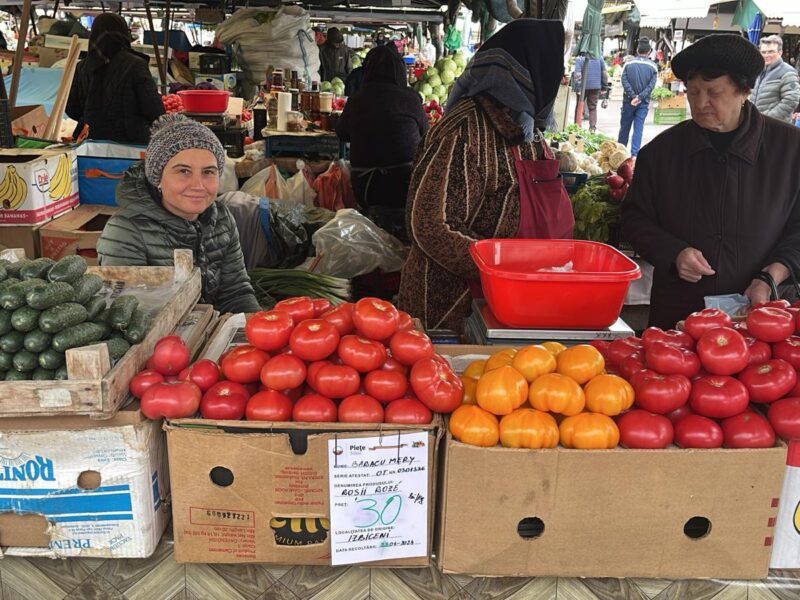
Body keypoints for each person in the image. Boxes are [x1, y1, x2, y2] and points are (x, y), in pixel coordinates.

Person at [399, 19, 572, 332]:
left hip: (512, 302)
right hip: (453, 309)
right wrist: (502, 266)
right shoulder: (465, 131)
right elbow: (428, 224)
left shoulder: (527, 127)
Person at [621, 34, 800, 329]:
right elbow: (634, 218)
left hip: (763, 314)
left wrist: (771, 276)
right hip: (678, 316)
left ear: (744, 91)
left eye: (713, 92)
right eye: (693, 92)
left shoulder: (790, 149)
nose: (700, 103)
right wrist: (673, 253)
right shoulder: (661, 153)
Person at [97, 114, 261, 314]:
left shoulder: (222, 219)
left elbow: (236, 292)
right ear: (157, 178)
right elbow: (124, 316)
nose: (198, 185)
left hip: (207, 331)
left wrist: (255, 330)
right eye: (183, 171)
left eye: (208, 172)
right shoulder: (124, 232)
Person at [336, 46, 428, 241]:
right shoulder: (411, 98)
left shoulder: (356, 100)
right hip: (404, 186)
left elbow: (342, 134)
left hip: (366, 188)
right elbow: (425, 135)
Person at [66, 14, 164, 144]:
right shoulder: (135, 64)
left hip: (91, 142)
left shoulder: (82, 67)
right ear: (123, 32)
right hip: (131, 143)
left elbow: (71, 108)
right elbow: (154, 109)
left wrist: (90, 117)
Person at [617, 38, 658, 157]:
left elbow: (624, 81)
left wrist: (633, 96)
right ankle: (634, 156)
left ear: (637, 50)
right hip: (643, 103)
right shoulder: (653, 67)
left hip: (628, 101)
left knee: (624, 127)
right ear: (649, 51)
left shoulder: (628, 64)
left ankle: (620, 153)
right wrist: (640, 97)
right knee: (638, 129)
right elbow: (651, 86)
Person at [752, 35, 800, 124]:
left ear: (780, 52)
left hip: (775, 127)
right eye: (763, 52)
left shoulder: (787, 72)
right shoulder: (760, 71)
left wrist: (767, 118)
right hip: (758, 124)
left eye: (771, 52)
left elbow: (791, 101)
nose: (766, 55)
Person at [572, 53, 608, 132]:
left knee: (579, 107)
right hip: (595, 87)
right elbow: (604, 73)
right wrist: (604, 87)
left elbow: (577, 74)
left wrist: (578, 88)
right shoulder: (600, 58)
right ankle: (592, 128)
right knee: (593, 107)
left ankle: (576, 127)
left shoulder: (580, 59)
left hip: (583, 87)